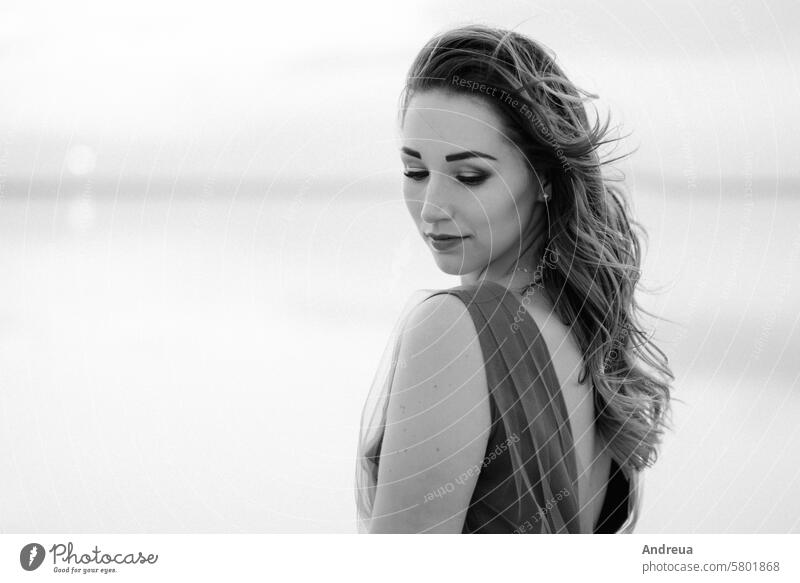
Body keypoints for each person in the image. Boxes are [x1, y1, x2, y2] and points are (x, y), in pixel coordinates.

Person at [355, 24, 674, 534]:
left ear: (544, 177)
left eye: (470, 175)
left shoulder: (453, 330)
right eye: (415, 172)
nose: (432, 207)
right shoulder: (583, 334)